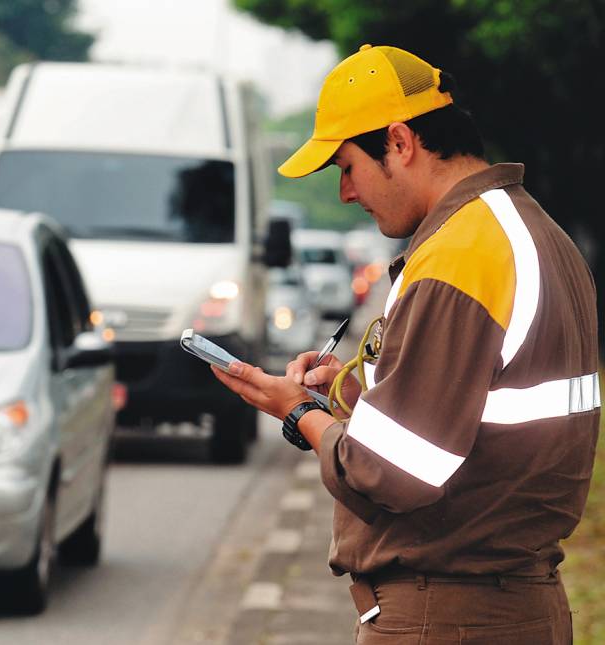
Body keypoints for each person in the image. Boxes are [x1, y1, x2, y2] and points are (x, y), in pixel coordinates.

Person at [211, 44, 598, 644]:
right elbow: (480, 408)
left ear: (399, 141)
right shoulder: (535, 232)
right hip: (519, 603)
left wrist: (297, 411)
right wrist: (351, 392)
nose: (345, 192)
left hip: (446, 615)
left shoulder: (460, 255)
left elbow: (391, 471)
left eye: (346, 167)